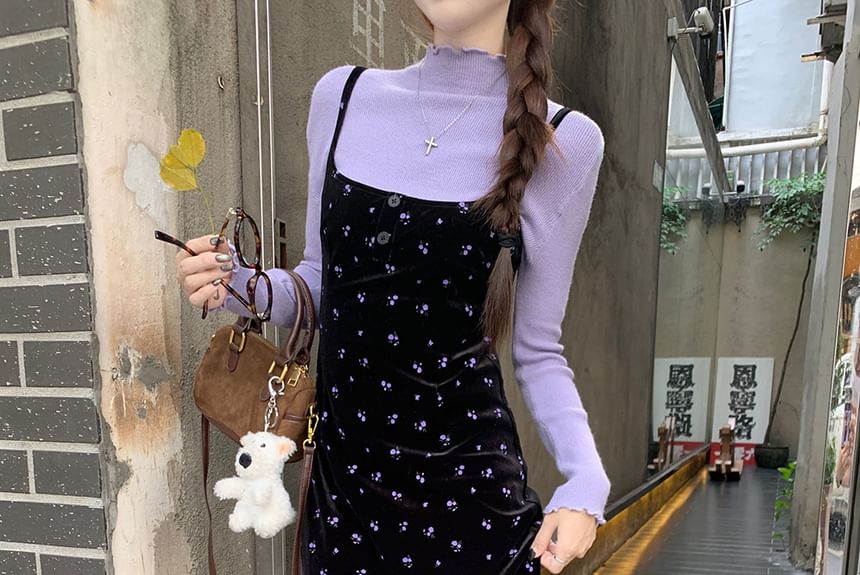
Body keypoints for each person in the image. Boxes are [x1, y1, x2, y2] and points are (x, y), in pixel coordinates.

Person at [175, 0, 610, 572]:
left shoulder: (567, 139)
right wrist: (236, 282)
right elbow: (320, 284)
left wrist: (585, 481)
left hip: (470, 510)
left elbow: (539, 350)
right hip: (343, 502)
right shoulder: (341, 96)